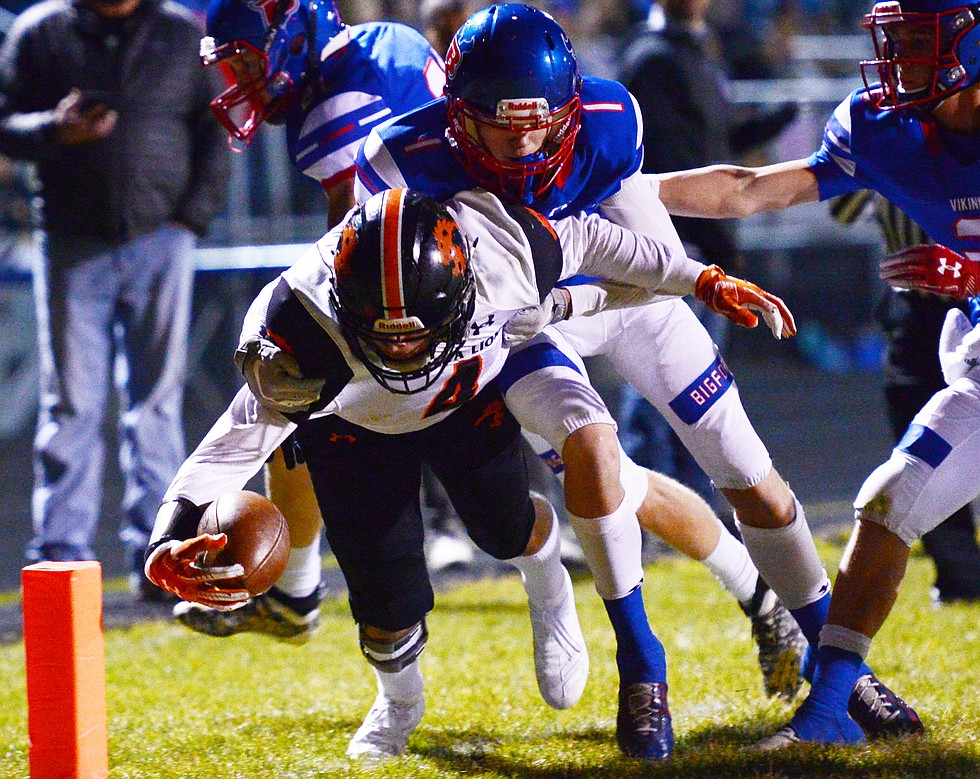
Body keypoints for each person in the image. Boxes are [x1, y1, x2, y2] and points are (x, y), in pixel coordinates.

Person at [353, 3, 921, 759]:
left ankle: (841, 664)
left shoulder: (609, 121)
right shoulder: (402, 159)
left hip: (623, 296)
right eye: (501, 123)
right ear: (457, 115)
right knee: (593, 454)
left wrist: (623, 289)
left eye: (539, 121)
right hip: (525, 325)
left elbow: (646, 274)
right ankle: (641, 665)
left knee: (753, 476)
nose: (524, 140)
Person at [655, 0, 980, 746]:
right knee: (887, 503)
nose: (895, 58)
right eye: (893, 40)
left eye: (915, 43)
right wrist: (628, 186)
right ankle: (830, 711)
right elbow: (748, 188)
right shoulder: (885, 125)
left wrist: (977, 275)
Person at [143, 186, 791, 759]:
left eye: (415, 332)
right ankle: (399, 701)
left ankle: (546, 576)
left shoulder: (497, 248)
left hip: (465, 396)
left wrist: (696, 276)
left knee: (507, 523)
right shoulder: (302, 330)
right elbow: (234, 443)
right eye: (383, 334)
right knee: (381, 589)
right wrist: (167, 536)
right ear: (344, 302)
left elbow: (591, 237)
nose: (400, 349)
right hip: (353, 425)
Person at [172, 0, 445, 639]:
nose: (238, 81)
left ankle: (306, 595)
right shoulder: (385, 42)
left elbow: (349, 239)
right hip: (454, 260)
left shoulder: (334, 106)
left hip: (435, 289)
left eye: (245, 60)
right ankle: (296, 596)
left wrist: (324, 327)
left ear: (289, 37)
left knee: (297, 385)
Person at [0, 0, 231, 599]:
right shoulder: (41, 32)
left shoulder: (181, 33)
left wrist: (190, 221)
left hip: (161, 237)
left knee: (155, 401)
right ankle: (60, 563)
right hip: (73, 241)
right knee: (72, 402)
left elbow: (216, 130)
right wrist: (54, 128)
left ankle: (160, 557)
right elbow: (4, 125)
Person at [831, 190, 980, 603]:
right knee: (924, 442)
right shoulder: (880, 137)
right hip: (916, 309)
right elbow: (841, 207)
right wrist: (873, 161)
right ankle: (962, 578)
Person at [615, 0, 798, 506]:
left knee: (689, 387)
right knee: (666, 388)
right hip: (674, 247)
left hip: (697, 243)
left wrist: (766, 126)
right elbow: (667, 162)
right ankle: (657, 508)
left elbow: (707, 142)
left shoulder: (688, 54)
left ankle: (686, 507)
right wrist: (693, 245)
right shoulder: (653, 59)